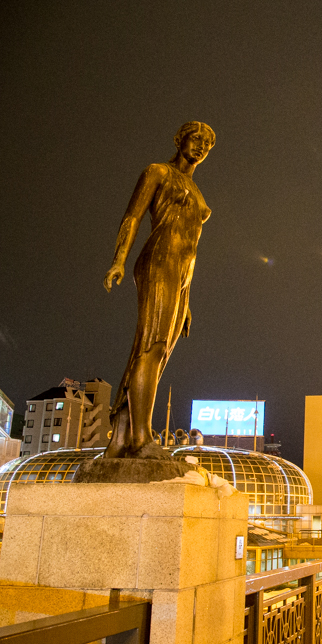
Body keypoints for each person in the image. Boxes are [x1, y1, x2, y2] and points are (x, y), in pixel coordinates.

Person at [102, 122, 215, 458]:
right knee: (152, 345)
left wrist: (187, 298)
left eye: (207, 145)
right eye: (196, 139)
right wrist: (118, 260)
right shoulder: (158, 172)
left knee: (159, 352)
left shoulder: (196, 191)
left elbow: (193, 248)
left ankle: (122, 436)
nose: (201, 148)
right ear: (180, 139)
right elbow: (132, 216)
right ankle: (141, 438)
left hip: (182, 273)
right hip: (159, 260)